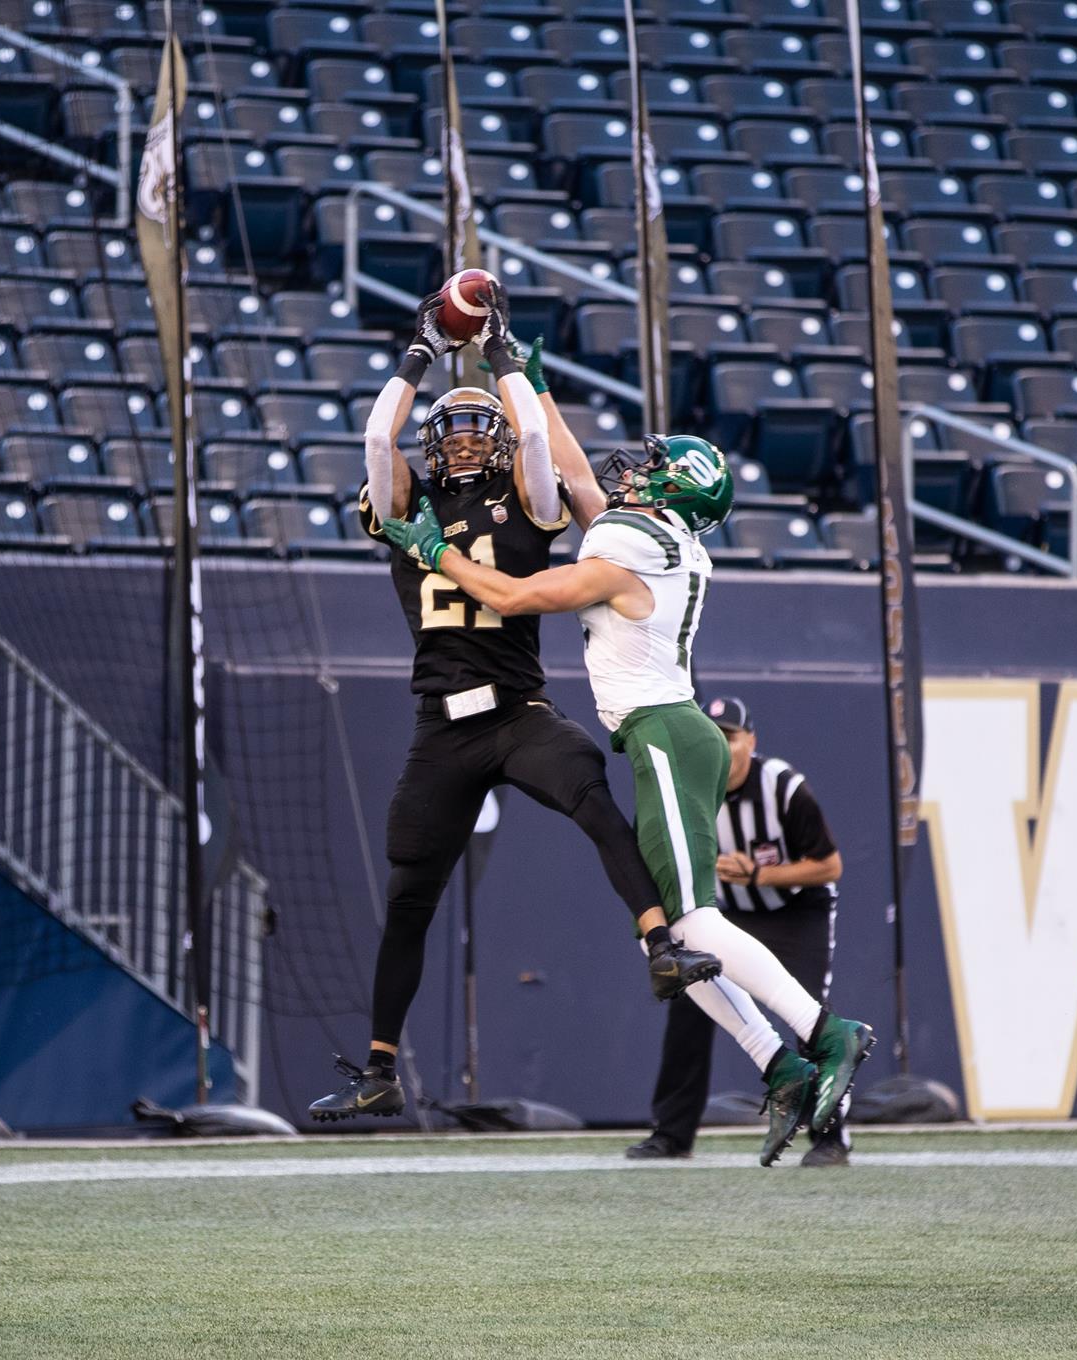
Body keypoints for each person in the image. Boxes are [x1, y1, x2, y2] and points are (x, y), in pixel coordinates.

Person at [379, 427, 875, 1165]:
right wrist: (525, 377)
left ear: (673, 492)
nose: (634, 473)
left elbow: (511, 593)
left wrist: (434, 550)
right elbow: (580, 482)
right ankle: (782, 1065)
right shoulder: (652, 536)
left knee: (697, 927)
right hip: (662, 733)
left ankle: (826, 1032)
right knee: (675, 938)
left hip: (669, 731)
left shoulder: (635, 551)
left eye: (653, 469)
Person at [307, 291, 721, 1122]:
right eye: (448, 429)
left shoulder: (531, 506)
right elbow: (374, 438)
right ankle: (381, 1066)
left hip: (516, 708)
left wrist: (500, 358)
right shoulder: (402, 507)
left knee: (588, 796)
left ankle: (660, 945)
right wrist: (418, 354)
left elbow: (535, 435)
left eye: (475, 427)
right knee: (410, 896)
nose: (461, 439)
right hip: (440, 727)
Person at [627, 696, 852, 1166]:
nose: (723, 748)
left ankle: (830, 1138)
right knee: (689, 1003)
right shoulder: (687, 790)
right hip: (728, 916)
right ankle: (672, 1133)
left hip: (796, 911)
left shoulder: (783, 787)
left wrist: (759, 875)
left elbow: (830, 865)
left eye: (731, 738)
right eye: (714, 737)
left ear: (751, 740)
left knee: (805, 1009)